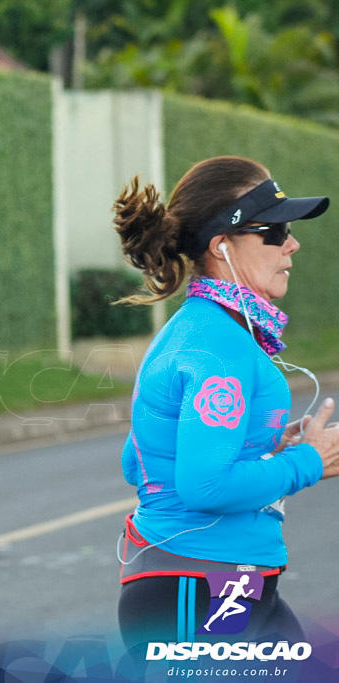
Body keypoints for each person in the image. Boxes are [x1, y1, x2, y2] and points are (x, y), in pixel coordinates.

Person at [111, 155, 339, 652]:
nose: (292, 243)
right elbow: (205, 485)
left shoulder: (198, 327)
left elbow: (139, 461)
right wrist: (309, 460)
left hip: (219, 583)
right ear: (222, 246)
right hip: (199, 587)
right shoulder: (219, 347)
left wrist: (268, 441)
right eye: (275, 232)